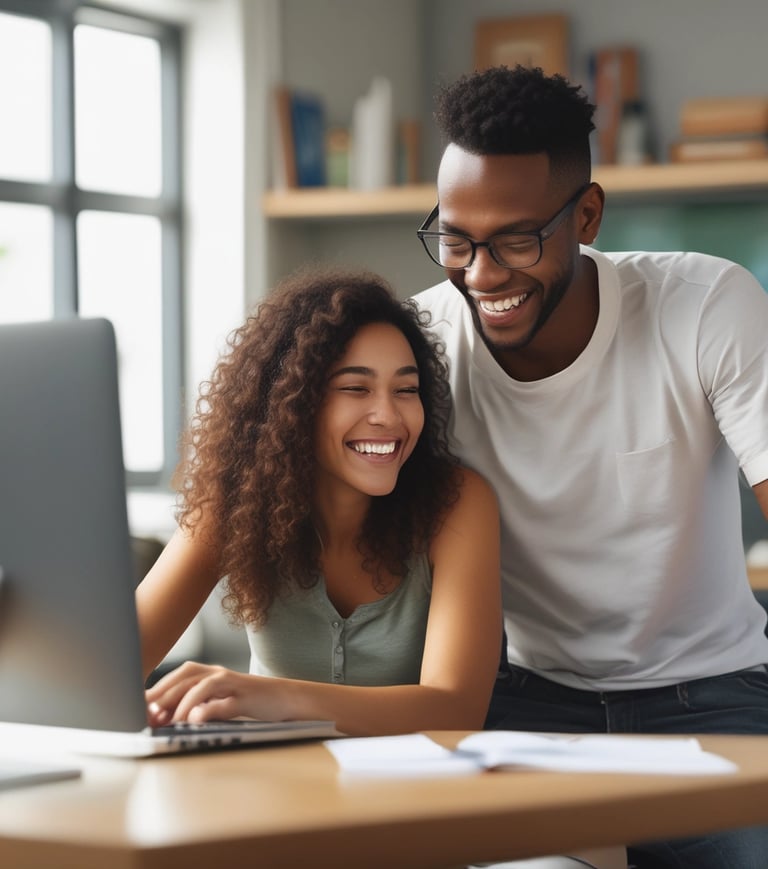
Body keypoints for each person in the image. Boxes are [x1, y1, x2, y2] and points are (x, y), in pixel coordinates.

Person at [413, 64, 768, 869]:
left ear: (588, 215)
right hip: (524, 702)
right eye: (457, 240)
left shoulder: (707, 305)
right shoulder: (423, 345)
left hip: (713, 697)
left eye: (514, 240)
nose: (481, 274)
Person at [137, 266, 502, 737]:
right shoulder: (234, 502)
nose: (388, 415)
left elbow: (455, 710)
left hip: (411, 795)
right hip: (272, 793)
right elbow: (111, 666)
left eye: (406, 390)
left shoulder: (457, 503)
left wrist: (274, 696)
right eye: (356, 388)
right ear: (293, 404)